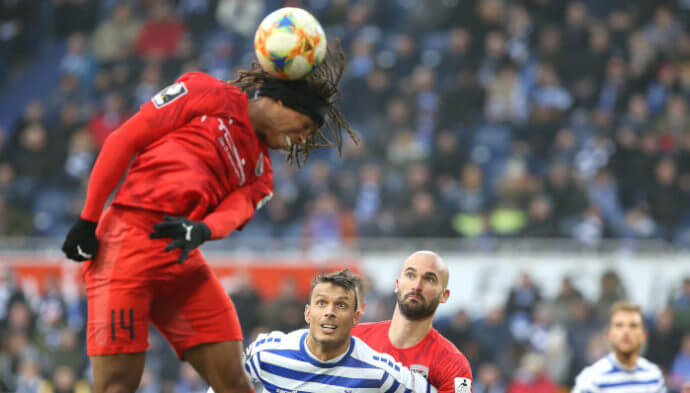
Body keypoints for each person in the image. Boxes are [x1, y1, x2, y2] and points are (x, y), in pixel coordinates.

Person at [60, 41, 357, 393]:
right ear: (280, 102)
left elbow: (233, 212)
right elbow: (124, 139)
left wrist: (201, 229)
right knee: (117, 386)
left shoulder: (262, 176)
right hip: (125, 242)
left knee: (235, 384)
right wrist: (88, 218)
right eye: (305, 124)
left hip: (182, 255)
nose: (304, 138)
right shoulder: (204, 91)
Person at [210, 269, 438, 393]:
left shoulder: (378, 371)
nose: (329, 312)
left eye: (341, 305)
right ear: (308, 313)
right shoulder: (267, 352)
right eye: (321, 303)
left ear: (356, 318)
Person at [352, 251, 473, 393]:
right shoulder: (352, 338)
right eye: (410, 275)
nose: (416, 286)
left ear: (444, 295)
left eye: (429, 279)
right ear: (397, 284)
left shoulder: (455, 366)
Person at [571, 301, 666, 393]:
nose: (626, 332)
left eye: (633, 326)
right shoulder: (592, 378)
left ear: (644, 335)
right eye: (619, 325)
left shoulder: (654, 376)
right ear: (609, 335)